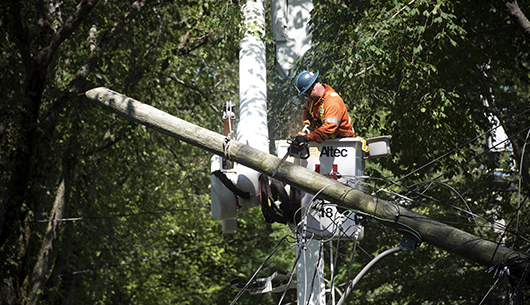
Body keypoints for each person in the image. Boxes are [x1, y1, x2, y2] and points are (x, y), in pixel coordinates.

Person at [293, 71, 355, 144]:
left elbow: (329, 128)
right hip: (325, 143)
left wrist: (307, 138)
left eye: (306, 94)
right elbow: (306, 111)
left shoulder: (332, 101)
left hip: (342, 143)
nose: (306, 97)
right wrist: (307, 124)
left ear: (312, 88)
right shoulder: (312, 100)